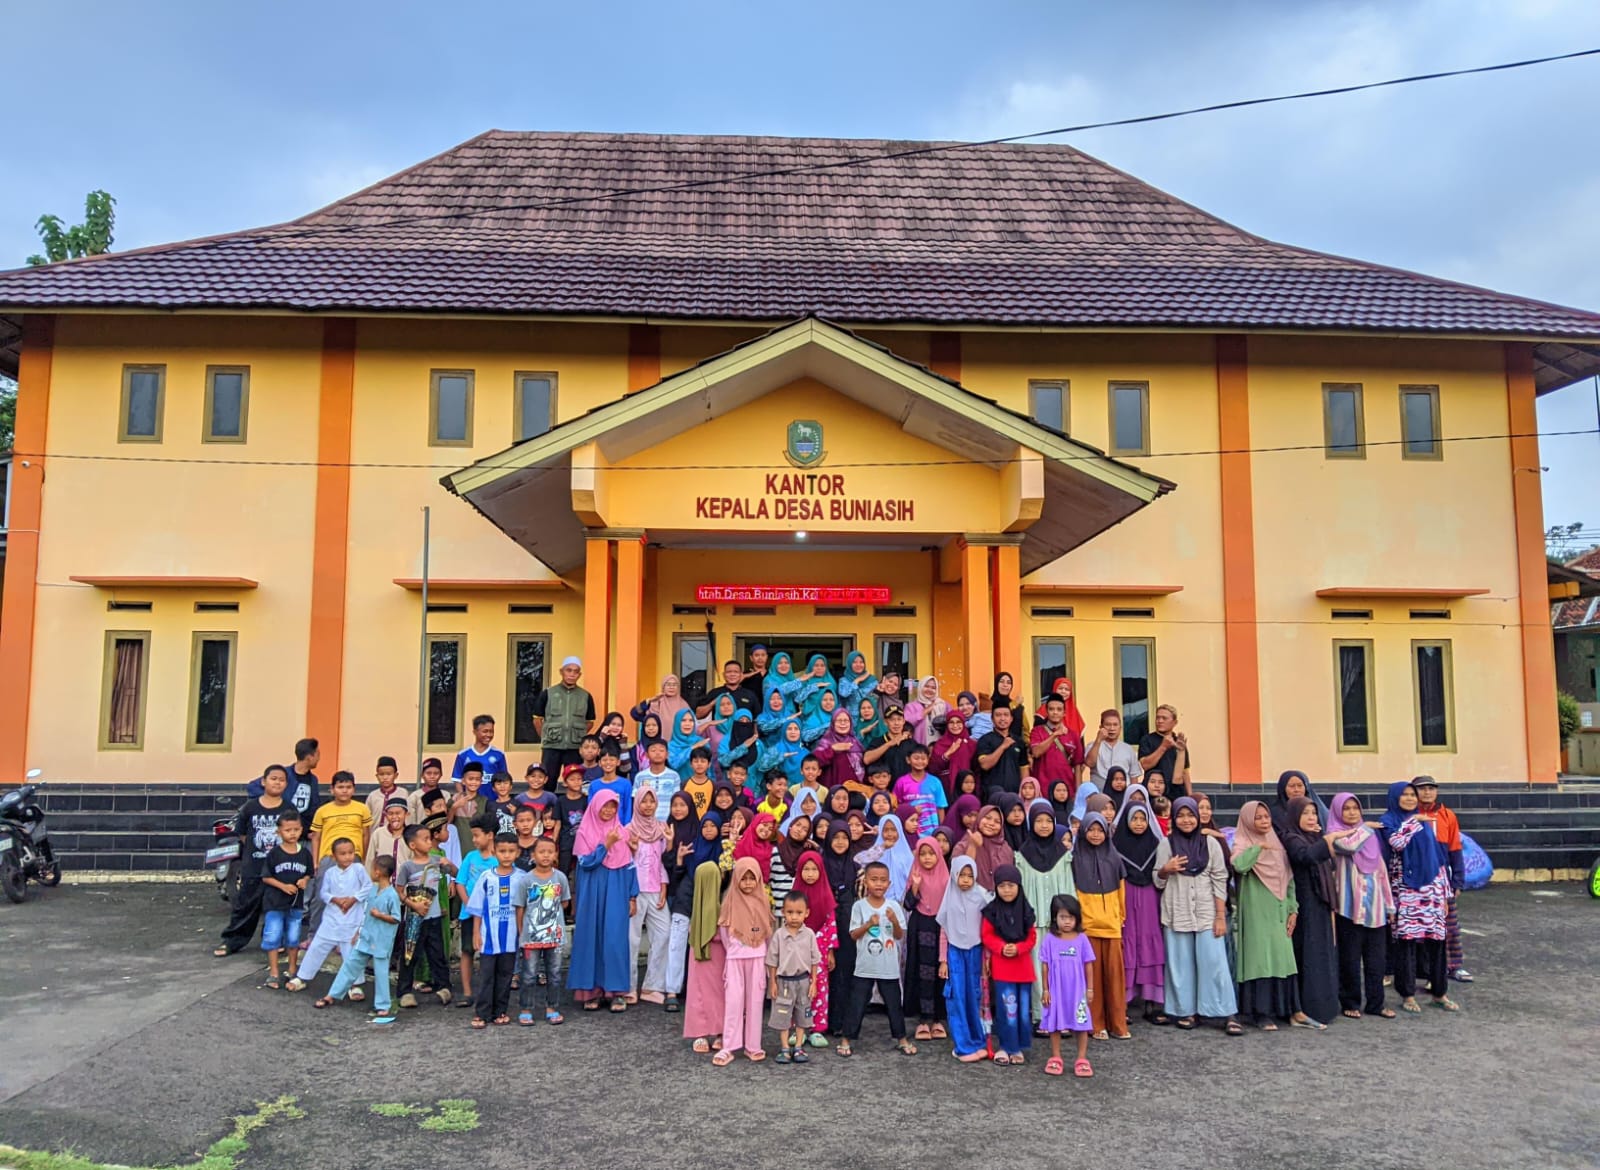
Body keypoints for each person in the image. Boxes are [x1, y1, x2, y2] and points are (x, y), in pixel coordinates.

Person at [1153, 797, 1240, 1035]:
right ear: (1174, 819)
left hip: (1206, 912)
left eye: (1190, 815)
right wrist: (1165, 870)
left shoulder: (1209, 843)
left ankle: (1224, 1012)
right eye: (1180, 816)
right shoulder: (1166, 844)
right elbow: (1157, 881)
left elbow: (1220, 879)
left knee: (1215, 963)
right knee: (1180, 964)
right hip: (1177, 910)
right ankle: (1186, 1011)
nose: (1186, 820)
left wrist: (1220, 916)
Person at [1382, 781, 1459, 1015]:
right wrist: (1413, 823)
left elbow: (1436, 856)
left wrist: (1445, 893)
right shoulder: (1389, 820)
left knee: (1436, 941)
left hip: (1432, 889)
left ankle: (1439, 992)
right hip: (1405, 890)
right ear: (1395, 797)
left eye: (1412, 795)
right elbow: (1396, 843)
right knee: (1406, 943)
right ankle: (1407, 994)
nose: (1409, 798)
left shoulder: (1424, 820)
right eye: (1404, 794)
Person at [1230, 800, 1305, 1030]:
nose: (1264, 821)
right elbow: (1239, 865)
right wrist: (1257, 849)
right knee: (1259, 959)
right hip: (1255, 910)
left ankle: (1284, 1009)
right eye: (1258, 817)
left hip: (1280, 909)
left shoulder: (1278, 843)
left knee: (1282, 958)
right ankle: (1260, 1013)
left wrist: (1293, 909)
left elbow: (1288, 878)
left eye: (1266, 817)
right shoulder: (1242, 841)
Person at [568, 790, 640, 1012]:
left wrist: (632, 896)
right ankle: (591, 991)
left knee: (614, 938)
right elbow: (586, 863)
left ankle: (616, 991)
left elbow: (629, 866)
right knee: (591, 938)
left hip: (617, 889)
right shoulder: (584, 832)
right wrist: (606, 845)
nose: (608, 811)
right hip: (592, 891)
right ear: (596, 806)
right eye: (605, 806)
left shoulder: (622, 832)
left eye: (613, 806)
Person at [1326, 792, 1395, 1020]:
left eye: (1355, 808)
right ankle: (1350, 1001)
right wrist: (1365, 828)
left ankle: (1376, 1003)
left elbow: (1381, 872)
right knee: (1350, 959)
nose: (1352, 813)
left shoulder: (1371, 839)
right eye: (1346, 809)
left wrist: (1389, 906)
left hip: (1375, 909)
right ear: (1337, 811)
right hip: (1348, 907)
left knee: (1377, 960)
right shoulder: (1334, 835)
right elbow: (1349, 846)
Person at [837, 860, 914, 1057]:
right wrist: (868, 924)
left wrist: (895, 921)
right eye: (874, 880)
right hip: (864, 965)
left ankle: (902, 1039)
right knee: (857, 1003)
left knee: (894, 1004)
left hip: (889, 966)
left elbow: (899, 936)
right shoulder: (859, 906)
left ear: (889, 884)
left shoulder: (894, 906)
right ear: (866, 882)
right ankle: (847, 1039)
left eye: (882, 880)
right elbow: (853, 935)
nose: (878, 884)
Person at [317, 854, 402, 1022]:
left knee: (381, 972)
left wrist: (380, 915)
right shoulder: (372, 890)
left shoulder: (392, 895)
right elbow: (365, 914)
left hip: (382, 940)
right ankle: (333, 994)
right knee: (350, 965)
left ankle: (383, 1006)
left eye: (372, 869)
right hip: (366, 936)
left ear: (378, 872)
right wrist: (358, 932)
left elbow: (396, 918)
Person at [216, 763, 289, 957]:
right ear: (264, 782)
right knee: (245, 905)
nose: (277, 783)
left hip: (279, 869)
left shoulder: (288, 808)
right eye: (273, 779)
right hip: (254, 866)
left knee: (276, 907)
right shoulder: (251, 807)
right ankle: (232, 941)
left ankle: (274, 941)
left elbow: (292, 835)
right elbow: (242, 834)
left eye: (282, 780)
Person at [1280, 796, 1339, 1027]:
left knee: (1322, 953)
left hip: (1320, 901)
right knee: (1308, 954)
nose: (1311, 817)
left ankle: (1325, 1006)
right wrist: (1327, 841)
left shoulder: (1313, 837)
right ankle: (1305, 1007)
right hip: (1303, 904)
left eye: (1314, 813)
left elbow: (1327, 864)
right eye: (1305, 813)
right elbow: (1306, 856)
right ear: (1295, 816)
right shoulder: (1290, 837)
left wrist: (1323, 840)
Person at [1017, 799, 1076, 1025]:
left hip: (1058, 924)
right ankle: (1042, 1016)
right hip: (1034, 923)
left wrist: (1069, 918)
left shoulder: (1062, 855)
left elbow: (1069, 888)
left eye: (1048, 821)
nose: (1043, 825)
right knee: (1038, 970)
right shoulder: (1022, 856)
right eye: (1039, 820)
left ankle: (1063, 1016)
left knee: (1061, 969)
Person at [1071, 812, 1129, 1040]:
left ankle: (1118, 1024)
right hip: (1088, 927)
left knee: (1115, 977)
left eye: (1100, 830)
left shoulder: (1114, 858)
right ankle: (1095, 1024)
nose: (1095, 835)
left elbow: (1121, 892)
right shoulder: (1075, 859)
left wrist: (1119, 917)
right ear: (1083, 832)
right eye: (1091, 830)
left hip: (1112, 925)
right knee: (1091, 978)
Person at [288, 837, 372, 993]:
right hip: (332, 918)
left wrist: (353, 899)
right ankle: (303, 977)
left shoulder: (358, 869)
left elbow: (368, 887)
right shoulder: (330, 872)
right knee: (317, 947)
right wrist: (336, 900)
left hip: (352, 917)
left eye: (350, 853)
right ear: (334, 856)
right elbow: (324, 893)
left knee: (351, 952)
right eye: (343, 854)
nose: (347, 857)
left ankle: (355, 985)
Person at [713, 856, 774, 1065]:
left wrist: (752, 934)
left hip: (757, 958)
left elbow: (766, 931)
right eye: (743, 878)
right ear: (736, 878)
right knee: (733, 1002)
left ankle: (753, 1046)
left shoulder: (763, 902)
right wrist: (738, 946)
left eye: (752, 878)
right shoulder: (729, 901)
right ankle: (728, 1047)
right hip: (735, 959)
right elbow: (723, 932)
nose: (748, 883)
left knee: (755, 1003)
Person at [1111, 799, 1167, 1023]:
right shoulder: (1116, 845)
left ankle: (1151, 1001)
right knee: (1128, 942)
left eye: (1143, 818)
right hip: (1126, 894)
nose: (1139, 823)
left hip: (1149, 897)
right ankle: (1123, 1002)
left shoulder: (1156, 843)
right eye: (1134, 818)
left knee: (1149, 942)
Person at [464, 833, 527, 1028]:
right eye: (502, 851)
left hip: (511, 938)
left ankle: (500, 1011)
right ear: (494, 852)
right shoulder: (486, 877)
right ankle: (482, 1013)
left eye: (510, 851)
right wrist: (476, 932)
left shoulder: (522, 878)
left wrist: (523, 934)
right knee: (486, 976)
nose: (506, 855)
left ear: (517, 853)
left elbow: (524, 908)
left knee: (505, 976)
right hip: (488, 937)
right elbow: (476, 908)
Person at [1412, 777, 1471, 982]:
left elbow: (1455, 849)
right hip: (1416, 879)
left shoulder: (1447, 816)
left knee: (1449, 924)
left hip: (1441, 879)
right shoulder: (1410, 816)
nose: (1427, 793)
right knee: (1417, 925)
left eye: (1431, 788)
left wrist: (1458, 880)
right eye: (1422, 789)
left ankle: (1454, 966)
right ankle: (1423, 970)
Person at [305, 770, 373, 942]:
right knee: (322, 896)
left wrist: (364, 859)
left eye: (348, 787)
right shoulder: (323, 811)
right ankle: (314, 935)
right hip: (328, 857)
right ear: (332, 789)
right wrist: (315, 862)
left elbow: (366, 835)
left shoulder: (362, 809)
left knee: (353, 897)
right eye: (340, 787)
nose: (344, 790)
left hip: (354, 857)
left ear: (354, 789)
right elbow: (316, 837)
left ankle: (348, 936)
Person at [935, 854, 991, 1061]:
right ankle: (963, 1046)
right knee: (957, 997)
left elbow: (987, 929)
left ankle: (978, 1041)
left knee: (974, 996)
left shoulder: (982, 897)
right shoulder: (950, 897)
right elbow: (944, 931)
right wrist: (943, 960)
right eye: (961, 875)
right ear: (954, 875)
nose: (966, 880)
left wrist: (987, 959)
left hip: (976, 952)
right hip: (955, 954)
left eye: (970, 875)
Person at [980, 863, 1037, 1064]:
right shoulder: (992, 911)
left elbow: (1031, 937)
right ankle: (1006, 1046)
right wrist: (1002, 947)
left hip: (1023, 967)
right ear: (995, 888)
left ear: (1019, 887)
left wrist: (1019, 948)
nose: (1007, 890)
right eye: (1002, 886)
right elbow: (986, 936)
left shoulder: (1026, 909)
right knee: (1007, 1010)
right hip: (1003, 968)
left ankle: (1019, 1046)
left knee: (1022, 1011)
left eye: (1011, 885)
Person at [395, 824, 454, 1008]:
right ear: (413, 845)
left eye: (430, 838)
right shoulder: (408, 867)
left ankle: (444, 986)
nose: (429, 842)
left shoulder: (437, 860)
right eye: (425, 839)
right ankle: (405, 991)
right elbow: (398, 890)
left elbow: (456, 874)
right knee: (410, 954)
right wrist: (413, 904)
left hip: (434, 916)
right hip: (415, 917)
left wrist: (449, 865)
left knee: (437, 953)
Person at [1039, 893, 1097, 1077]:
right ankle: (1056, 1057)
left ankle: (1081, 1059)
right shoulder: (1049, 939)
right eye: (1062, 917)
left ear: (1077, 918)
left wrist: (1090, 989)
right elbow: (1045, 966)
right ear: (1055, 917)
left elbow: (1089, 965)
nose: (1066, 922)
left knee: (1081, 1023)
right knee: (1054, 1024)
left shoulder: (1082, 939)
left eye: (1070, 917)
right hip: (1056, 990)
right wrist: (1046, 990)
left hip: (1077, 991)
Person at [517, 836, 570, 1026]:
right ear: (533, 855)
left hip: (554, 937)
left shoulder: (560, 878)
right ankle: (526, 1009)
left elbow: (564, 902)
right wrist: (522, 931)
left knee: (554, 974)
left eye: (550, 851)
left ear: (555, 854)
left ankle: (552, 1007)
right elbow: (520, 907)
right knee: (529, 974)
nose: (546, 855)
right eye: (541, 852)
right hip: (531, 937)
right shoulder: (526, 880)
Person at [786, 850, 838, 1046]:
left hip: (820, 952)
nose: (809, 873)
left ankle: (817, 1029)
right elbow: (789, 921)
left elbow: (830, 924)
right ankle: (797, 1027)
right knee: (795, 989)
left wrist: (830, 950)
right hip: (796, 953)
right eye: (805, 869)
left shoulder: (826, 894)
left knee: (819, 989)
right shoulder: (794, 896)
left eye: (814, 869)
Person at [766, 890, 823, 1063]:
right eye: (790, 912)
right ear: (783, 912)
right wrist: (772, 982)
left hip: (803, 981)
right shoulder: (778, 935)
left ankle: (798, 1047)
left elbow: (815, 960)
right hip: (784, 982)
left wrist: (813, 982)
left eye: (799, 913)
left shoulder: (810, 934)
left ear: (807, 913)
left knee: (803, 1014)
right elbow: (772, 961)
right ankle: (784, 1048)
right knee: (782, 1015)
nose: (794, 917)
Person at [902, 835, 949, 1041]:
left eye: (931, 853)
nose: (927, 858)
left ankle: (938, 1019)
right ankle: (923, 1019)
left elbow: (950, 906)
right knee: (921, 972)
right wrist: (915, 886)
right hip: (920, 926)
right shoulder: (915, 873)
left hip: (941, 926)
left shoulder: (946, 878)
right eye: (923, 854)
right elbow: (908, 905)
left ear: (939, 854)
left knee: (940, 973)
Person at [627, 788, 672, 1004]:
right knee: (631, 940)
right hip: (634, 891)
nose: (647, 805)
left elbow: (663, 860)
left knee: (664, 934)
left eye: (651, 801)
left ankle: (652, 986)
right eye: (643, 801)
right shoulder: (628, 829)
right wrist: (629, 895)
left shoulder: (661, 829)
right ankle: (628, 987)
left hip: (656, 890)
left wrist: (664, 887)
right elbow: (625, 863)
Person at [258, 811, 311, 990]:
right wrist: (283, 886)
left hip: (295, 904)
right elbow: (266, 877)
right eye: (288, 830)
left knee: (293, 938)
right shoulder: (274, 854)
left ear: (301, 830)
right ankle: (274, 973)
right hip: (274, 903)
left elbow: (309, 873)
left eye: (296, 829)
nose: (292, 833)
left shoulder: (304, 853)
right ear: (279, 832)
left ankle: (292, 969)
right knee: (273, 936)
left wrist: (304, 880)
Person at [452, 815, 499, 1008]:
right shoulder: (470, 857)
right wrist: (469, 904)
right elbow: (460, 883)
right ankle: (467, 992)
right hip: (469, 913)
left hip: (492, 915)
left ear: (490, 835)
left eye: (477, 836)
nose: (474, 840)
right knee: (467, 950)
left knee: (490, 952)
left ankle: (488, 991)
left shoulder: (498, 859)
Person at [683, 860, 728, 1054]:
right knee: (712, 993)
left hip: (704, 954)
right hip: (716, 954)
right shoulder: (719, 907)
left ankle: (708, 1032)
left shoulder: (701, 908)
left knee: (703, 993)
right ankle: (715, 1032)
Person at [821, 821, 860, 1034]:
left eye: (844, 837)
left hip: (848, 925)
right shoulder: (820, 863)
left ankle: (840, 1022)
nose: (840, 842)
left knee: (845, 972)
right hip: (825, 924)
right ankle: (821, 1021)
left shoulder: (855, 866)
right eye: (835, 837)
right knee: (825, 972)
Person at [534, 656, 597, 777]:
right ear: (561, 672)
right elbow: (537, 719)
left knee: (574, 780)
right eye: (569, 670)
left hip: (575, 747)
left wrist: (577, 733)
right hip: (551, 746)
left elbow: (590, 721)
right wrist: (545, 736)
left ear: (579, 675)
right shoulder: (548, 693)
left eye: (576, 671)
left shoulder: (585, 696)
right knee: (548, 780)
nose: (572, 674)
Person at [247, 737, 321, 823]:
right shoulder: (282, 774)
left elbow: (314, 806)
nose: (318, 759)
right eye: (317, 755)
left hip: (302, 827)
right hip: (281, 823)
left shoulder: (313, 780)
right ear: (309, 757)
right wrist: (275, 800)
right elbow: (252, 787)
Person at [1029, 694, 1085, 798]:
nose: (1055, 712)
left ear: (1064, 713)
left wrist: (1078, 792)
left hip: (1067, 790)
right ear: (1046, 712)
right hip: (1042, 790)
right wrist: (1054, 735)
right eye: (1051, 709)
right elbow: (1036, 753)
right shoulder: (1037, 731)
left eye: (1059, 709)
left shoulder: (1073, 735)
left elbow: (1077, 766)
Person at [1137, 704, 1192, 800]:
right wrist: (1163, 746)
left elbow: (1185, 771)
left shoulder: (1178, 742)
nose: (1160, 721)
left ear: (1174, 722)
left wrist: (1190, 795)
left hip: (1175, 791)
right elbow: (1145, 765)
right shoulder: (1147, 739)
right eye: (1157, 718)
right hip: (1154, 792)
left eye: (1164, 718)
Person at [854, 816, 912, 904]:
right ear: (880, 832)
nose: (889, 834)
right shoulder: (876, 852)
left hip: (903, 904)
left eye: (893, 830)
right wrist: (882, 847)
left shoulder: (908, 855)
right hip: (878, 903)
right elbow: (858, 860)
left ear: (899, 831)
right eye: (885, 830)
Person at [892, 744, 945, 840]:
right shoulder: (901, 782)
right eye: (916, 758)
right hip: (910, 832)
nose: (920, 761)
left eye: (923, 758)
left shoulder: (935, 782)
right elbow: (895, 806)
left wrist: (940, 830)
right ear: (908, 760)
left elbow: (940, 808)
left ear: (928, 760)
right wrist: (910, 810)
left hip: (932, 833)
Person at [974, 703, 1027, 796]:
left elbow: (1024, 770)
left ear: (1011, 719)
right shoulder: (985, 740)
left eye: (1006, 715)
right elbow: (985, 765)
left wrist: (1024, 791)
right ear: (992, 719)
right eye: (998, 715)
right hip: (991, 795)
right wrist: (1003, 746)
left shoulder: (1019, 741)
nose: (1002, 718)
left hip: (1015, 795)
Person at [959, 803, 1014, 891]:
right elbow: (959, 875)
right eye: (987, 818)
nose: (991, 823)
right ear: (979, 818)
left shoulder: (1006, 850)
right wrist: (973, 846)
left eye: (997, 822)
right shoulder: (963, 845)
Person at [1085, 709, 1143, 787]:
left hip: (1122, 795)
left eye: (1115, 725)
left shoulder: (1128, 749)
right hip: (1099, 795)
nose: (1112, 728)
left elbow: (1134, 776)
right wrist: (1098, 740)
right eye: (1108, 724)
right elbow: (1089, 763)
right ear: (1101, 727)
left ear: (1120, 728)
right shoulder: (1093, 745)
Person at [929, 710, 976, 798]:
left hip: (967, 788)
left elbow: (976, 769)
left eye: (958, 722)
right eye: (951, 722)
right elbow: (933, 768)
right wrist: (947, 754)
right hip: (945, 788)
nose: (955, 726)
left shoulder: (971, 744)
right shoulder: (940, 744)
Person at [862, 703, 916, 781]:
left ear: (903, 721)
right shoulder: (878, 741)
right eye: (892, 720)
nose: (896, 723)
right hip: (884, 790)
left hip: (905, 788)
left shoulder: (911, 743)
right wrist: (889, 744)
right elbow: (866, 759)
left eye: (899, 719)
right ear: (885, 722)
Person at [1270, 769, 1330, 838]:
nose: (1296, 790)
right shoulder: (1275, 814)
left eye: (1300, 785)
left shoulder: (1319, 810)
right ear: (1283, 789)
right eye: (1292, 786)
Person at [812, 708, 864, 787]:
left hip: (855, 792)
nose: (843, 723)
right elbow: (814, 762)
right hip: (834, 793)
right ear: (833, 723)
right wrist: (832, 749)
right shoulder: (826, 742)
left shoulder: (856, 743)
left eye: (846, 720)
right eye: (839, 720)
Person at [631, 674, 691, 741]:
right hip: (656, 746)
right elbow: (634, 713)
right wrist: (649, 700)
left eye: (674, 685)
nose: (671, 687)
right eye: (668, 684)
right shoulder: (656, 703)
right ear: (663, 687)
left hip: (678, 746)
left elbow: (691, 726)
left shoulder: (684, 705)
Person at [453, 715, 509, 782]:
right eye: (485, 731)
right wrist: (462, 792)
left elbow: (504, 778)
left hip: (491, 793)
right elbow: (457, 779)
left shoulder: (499, 754)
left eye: (491, 731)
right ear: (475, 732)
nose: (489, 735)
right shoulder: (463, 754)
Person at [588, 745, 633, 826]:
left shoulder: (625, 784)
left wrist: (626, 828)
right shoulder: (594, 785)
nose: (608, 763)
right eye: (604, 760)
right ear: (600, 763)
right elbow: (591, 809)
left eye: (612, 760)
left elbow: (628, 808)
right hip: (599, 827)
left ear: (618, 762)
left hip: (619, 827)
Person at [367, 797, 411, 875]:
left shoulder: (411, 834)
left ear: (406, 814)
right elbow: (370, 859)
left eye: (398, 813)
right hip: (383, 883)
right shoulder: (378, 833)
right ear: (386, 815)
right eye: (390, 813)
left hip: (405, 883)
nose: (394, 817)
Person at [903, 676, 949, 746]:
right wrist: (925, 711)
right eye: (926, 686)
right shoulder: (911, 706)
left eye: (933, 688)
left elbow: (952, 721)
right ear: (921, 687)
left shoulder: (943, 705)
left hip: (940, 748)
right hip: (919, 749)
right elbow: (906, 723)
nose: (929, 690)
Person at [363, 755, 410, 824]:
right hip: (375, 833)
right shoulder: (372, 796)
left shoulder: (403, 793)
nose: (385, 777)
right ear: (377, 776)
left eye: (388, 774)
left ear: (396, 775)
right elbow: (366, 817)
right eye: (381, 774)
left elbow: (408, 816)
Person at [406, 757, 446, 823]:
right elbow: (410, 821)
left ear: (441, 775)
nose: (432, 776)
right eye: (428, 773)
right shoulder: (415, 796)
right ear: (422, 775)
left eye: (436, 773)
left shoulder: (445, 795)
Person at [486, 771, 519, 836]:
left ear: (511, 786)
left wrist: (516, 813)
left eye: (506, 783)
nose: (502, 786)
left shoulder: (516, 803)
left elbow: (521, 821)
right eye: (498, 784)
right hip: (497, 840)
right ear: (493, 788)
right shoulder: (490, 805)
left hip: (513, 839)